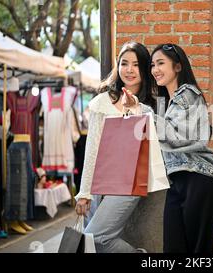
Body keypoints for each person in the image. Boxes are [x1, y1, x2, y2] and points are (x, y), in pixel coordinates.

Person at [74, 41, 155, 253]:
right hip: (100, 181)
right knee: (92, 244)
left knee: (95, 237)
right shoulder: (102, 102)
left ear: (144, 69)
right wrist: (84, 192)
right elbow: (91, 149)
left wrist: (136, 111)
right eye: (124, 63)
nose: (129, 70)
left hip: (129, 182)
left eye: (136, 65)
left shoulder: (148, 107)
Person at [150, 44, 213, 253]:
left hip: (200, 181)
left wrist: (142, 113)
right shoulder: (170, 103)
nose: (155, 69)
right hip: (179, 182)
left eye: (161, 63)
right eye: (153, 64)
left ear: (178, 66)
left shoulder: (189, 94)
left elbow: (174, 137)